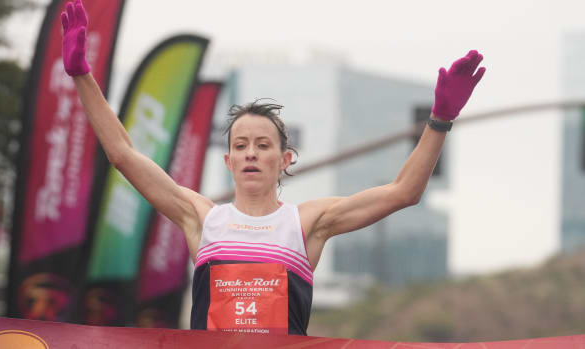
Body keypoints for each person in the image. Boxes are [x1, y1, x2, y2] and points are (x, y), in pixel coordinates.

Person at [61, 0, 485, 336]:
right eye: (240, 145)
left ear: (284, 160)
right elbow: (123, 155)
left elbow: (403, 192)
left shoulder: (308, 223)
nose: (250, 153)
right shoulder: (203, 218)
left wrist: (440, 121)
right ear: (227, 161)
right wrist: (82, 74)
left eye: (262, 145)